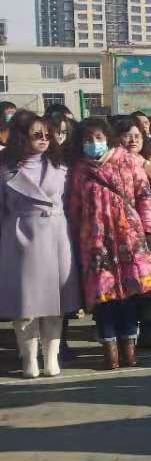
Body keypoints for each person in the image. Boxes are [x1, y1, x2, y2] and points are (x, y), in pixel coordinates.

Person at [67, 117, 151, 370]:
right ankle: (109, 351)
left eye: (98, 138)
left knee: (129, 293)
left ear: (108, 138)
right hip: (95, 242)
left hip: (128, 238)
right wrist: (74, 239)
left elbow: (144, 196)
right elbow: (74, 209)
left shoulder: (128, 161)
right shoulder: (79, 170)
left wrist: (149, 229)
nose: (93, 143)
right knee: (103, 295)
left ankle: (129, 347)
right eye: (88, 139)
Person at [0, 111, 81, 378]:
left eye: (47, 134)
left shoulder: (61, 166)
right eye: (37, 134)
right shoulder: (5, 169)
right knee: (24, 306)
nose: (44, 139)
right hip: (20, 238)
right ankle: (28, 360)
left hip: (57, 236)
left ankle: (52, 358)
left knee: (56, 304)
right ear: (21, 137)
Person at [115, 116, 151, 347]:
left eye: (137, 136)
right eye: (127, 135)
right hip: (122, 232)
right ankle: (126, 333)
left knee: (150, 286)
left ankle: (147, 331)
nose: (133, 140)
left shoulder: (150, 158)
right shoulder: (110, 162)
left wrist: (145, 165)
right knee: (127, 285)